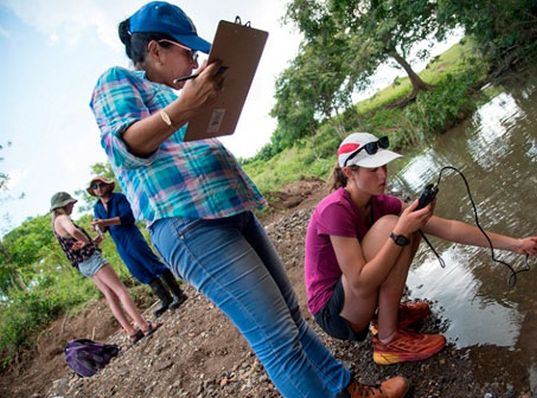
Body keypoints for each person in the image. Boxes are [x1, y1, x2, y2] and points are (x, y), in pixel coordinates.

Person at [88, 2, 409, 397]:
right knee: (275, 337)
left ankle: (350, 390)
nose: (194, 59)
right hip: (187, 221)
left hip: (229, 208)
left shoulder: (176, 92)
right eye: (187, 51)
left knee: (290, 317)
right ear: (155, 49)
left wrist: (202, 102)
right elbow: (126, 146)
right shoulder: (118, 80)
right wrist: (185, 106)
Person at [304, 132, 537, 366]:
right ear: (350, 172)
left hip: (355, 300)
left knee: (411, 224)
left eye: (384, 167)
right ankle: (388, 341)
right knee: (396, 226)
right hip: (335, 314)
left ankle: (386, 318)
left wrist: (516, 244)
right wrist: (400, 231)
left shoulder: (379, 203)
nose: (383, 176)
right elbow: (359, 283)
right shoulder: (334, 209)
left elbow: (450, 228)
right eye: (374, 169)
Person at [50, 191, 159, 344]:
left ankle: (131, 332)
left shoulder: (55, 225)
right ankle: (144, 326)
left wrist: (94, 240)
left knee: (110, 295)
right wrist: (85, 241)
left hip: (83, 265)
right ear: (62, 205)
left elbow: (77, 246)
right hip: (92, 260)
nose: (72, 206)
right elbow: (74, 232)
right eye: (70, 204)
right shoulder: (62, 218)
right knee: (120, 290)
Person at [88, 176, 187, 317]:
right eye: (95, 187)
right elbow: (104, 229)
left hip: (131, 236)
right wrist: (98, 226)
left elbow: (128, 217)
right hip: (119, 242)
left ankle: (178, 293)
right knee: (137, 269)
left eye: (101, 185)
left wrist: (105, 222)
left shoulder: (119, 198)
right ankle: (165, 299)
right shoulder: (97, 207)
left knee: (151, 263)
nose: (99, 188)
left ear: (107, 185)